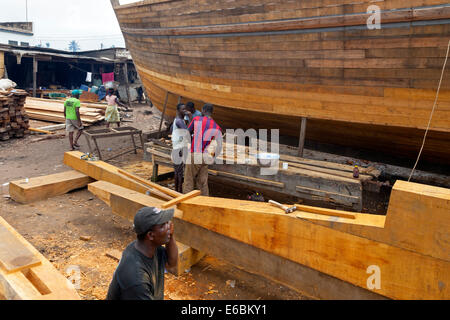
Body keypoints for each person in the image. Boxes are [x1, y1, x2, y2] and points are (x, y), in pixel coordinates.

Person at [106, 206, 178, 300]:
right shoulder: (137, 279)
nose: (169, 225)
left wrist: (170, 235)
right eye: (163, 225)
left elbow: (171, 262)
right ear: (150, 235)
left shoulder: (147, 247)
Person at [183, 103, 222, 196]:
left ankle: (186, 204)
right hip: (205, 156)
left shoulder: (196, 120)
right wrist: (213, 157)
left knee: (188, 180)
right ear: (211, 113)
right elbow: (219, 146)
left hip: (194, 154)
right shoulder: (216, 127)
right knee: (203, 183)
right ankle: (205, 202)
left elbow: (187, 133)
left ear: (203, 111)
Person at [171, 103, 189, 193]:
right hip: (178, 149)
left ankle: (178, 191)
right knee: (179, 172)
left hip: (181, 147)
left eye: (186, 109)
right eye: (183, 109)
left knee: (179, 171)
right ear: (178, 110)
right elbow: (187, 131)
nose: (185, 111)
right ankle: (178, 192)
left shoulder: (182, 119)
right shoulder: (179, 121)